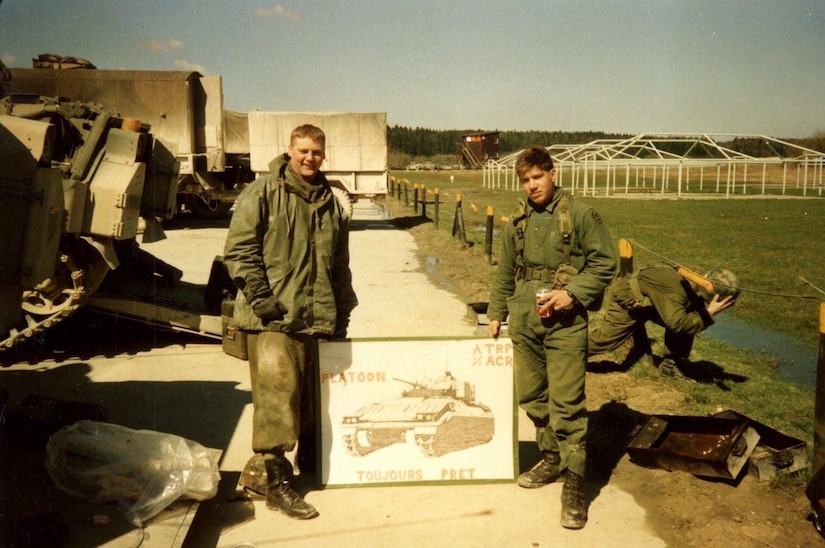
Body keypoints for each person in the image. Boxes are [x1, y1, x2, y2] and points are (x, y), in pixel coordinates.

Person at [223, 124, 358, 520]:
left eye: (316, 152)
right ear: (289, 150)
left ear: (324, 155)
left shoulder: (331, 201)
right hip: (273, 321)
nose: (309, 158)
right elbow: (239, 249)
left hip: (316, 319)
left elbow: (339, 264)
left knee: (311, 402)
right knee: (277, 401)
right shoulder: (264, 191)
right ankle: (276, 485)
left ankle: (290, 471)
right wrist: (262, 300)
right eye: (302, 151)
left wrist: (343, 310)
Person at [487, 146, 617, 529]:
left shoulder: (580, 215)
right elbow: (505, 270)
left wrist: (572, 293)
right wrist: (497, 312)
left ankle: (574, 480)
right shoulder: (518, 222)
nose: (531, 185)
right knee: (531, 394)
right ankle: (551, 457)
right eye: (525, 180)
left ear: (552, 173)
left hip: (565, 321)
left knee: (567, 402)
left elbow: (604, 262)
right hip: (525, 316)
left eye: (537, 177)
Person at [588, 265, 738, 376]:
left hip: (654, 299)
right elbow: (677, 324)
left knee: (692, 318)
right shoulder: (677, 291)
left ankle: (670, 367)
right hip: (629, 297)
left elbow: (687, 321)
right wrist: (709, 312)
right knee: (606, 340)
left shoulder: (696, 282)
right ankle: (569, 353)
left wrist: (702, 314)